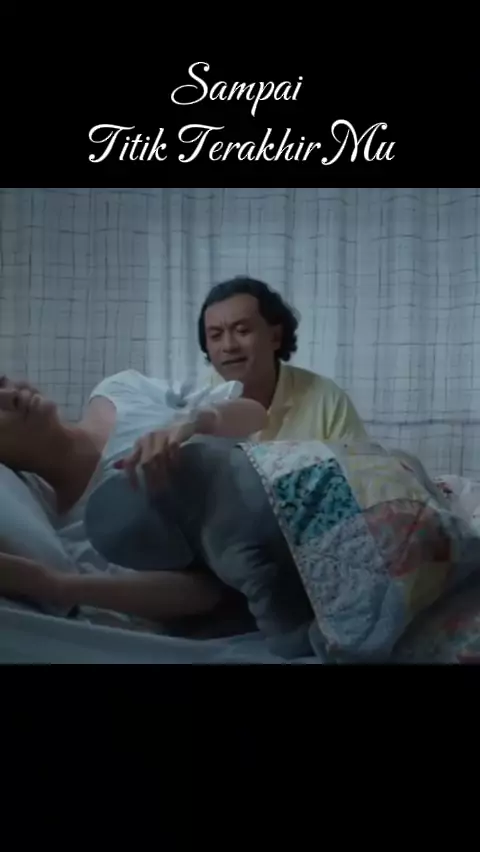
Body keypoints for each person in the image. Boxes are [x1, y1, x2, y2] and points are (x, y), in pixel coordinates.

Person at [0, 372, 267, 623]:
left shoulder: (118, 390)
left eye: (1, 382)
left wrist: (197, 421)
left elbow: (257, 414)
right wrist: (55, 585)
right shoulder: (79, 536)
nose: (11, 395)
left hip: (274, 471)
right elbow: (209, 593)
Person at [198, 276, 368, 443]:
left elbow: (360, 461)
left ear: (275, 337)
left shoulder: (327, 400)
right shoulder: (197, 405)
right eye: (216, 335)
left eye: (242, 330)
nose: (229, 346)